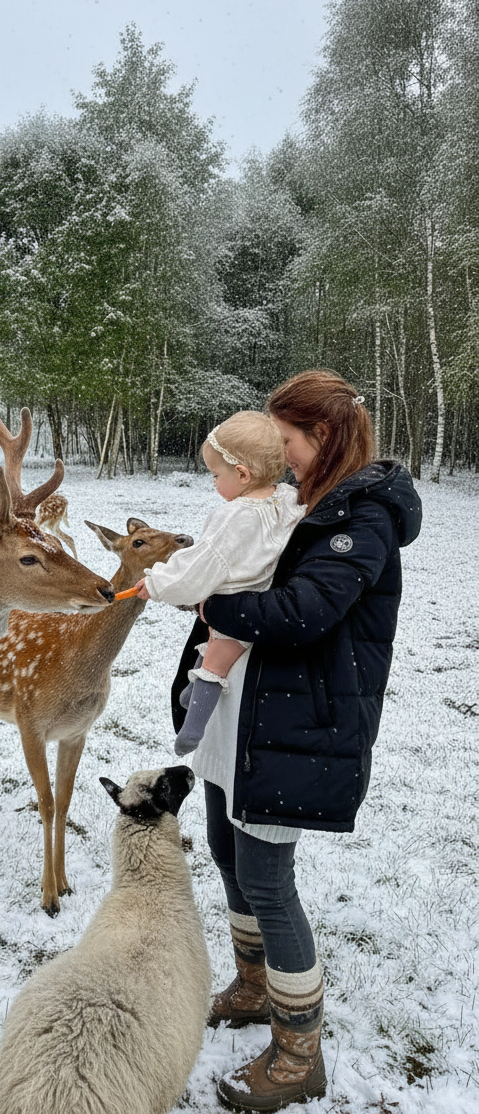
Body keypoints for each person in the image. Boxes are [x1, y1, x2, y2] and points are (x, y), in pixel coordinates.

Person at [168, 370, 421, 1113]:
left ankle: (298, 1053)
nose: (277, 454)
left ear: (324, 435)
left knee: (269, 882)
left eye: (286, 439)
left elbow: (306, 610)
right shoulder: (298, 499)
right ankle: (254, 986)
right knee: (227, 852)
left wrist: (211, 603)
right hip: (243, 714)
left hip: (295, 725)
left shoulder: (363, 517)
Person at [132, 411, 306, 756]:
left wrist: (157, 583)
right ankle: (191, 693)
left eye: (215, 475)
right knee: (211, 648)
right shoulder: (288, 497)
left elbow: (198, 567)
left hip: (238, 605)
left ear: (242, 474)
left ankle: (190, 731)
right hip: (267, 601)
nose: (213, 483)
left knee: (214, 662)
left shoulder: (232, 516)